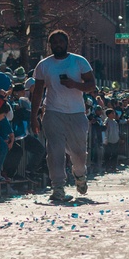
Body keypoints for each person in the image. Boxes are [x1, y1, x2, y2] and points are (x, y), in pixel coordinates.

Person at [30, 30, 96, 202]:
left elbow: (91, 85)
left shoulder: (79, 61)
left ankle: (79, 174)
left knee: (79, 152)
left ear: (67, 43)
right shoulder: (44, 65)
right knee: (55, 151)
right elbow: (38, 92)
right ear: (50, 45)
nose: (58, 45)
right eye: (54, 42)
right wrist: (33, 116)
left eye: (61, 41)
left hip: (76, 112)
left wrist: (74, 84)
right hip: (53, 112)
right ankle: (58, 187)